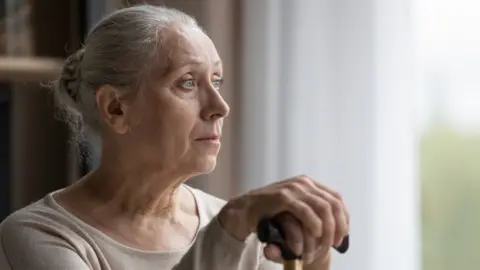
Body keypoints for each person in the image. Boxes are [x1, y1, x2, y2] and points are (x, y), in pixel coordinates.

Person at [0, 5, 349, 270]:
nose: (220, 106)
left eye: (216, 80)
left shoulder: (236, 228)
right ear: (116, 108)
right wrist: (229, 230)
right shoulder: (40, 235)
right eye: (187, 82)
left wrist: (312, 261)